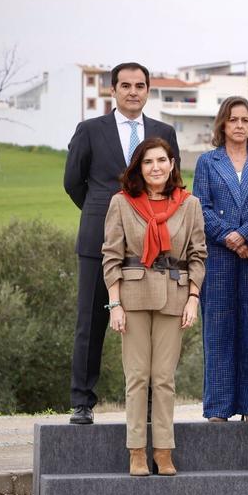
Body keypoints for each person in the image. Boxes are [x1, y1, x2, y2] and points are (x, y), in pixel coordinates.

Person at [63, 62, 178, 424]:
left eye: (139, 85)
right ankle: (82, 401)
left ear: (148, 90)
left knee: (147, 324)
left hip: (152, 245)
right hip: (99, 240)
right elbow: (73, 182)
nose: (132, 91)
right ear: (113, 90)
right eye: (125, 85)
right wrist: (110, 217)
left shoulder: (163, 131)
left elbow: (172, 183)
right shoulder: (90, 130)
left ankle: (146, 402)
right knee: (91, 322)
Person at [102, 138, 206, 476]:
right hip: (131, 297)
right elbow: (111, 257)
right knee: (137, 377)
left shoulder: (190, 205)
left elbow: (197, 256)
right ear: (139, 167)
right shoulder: (122, 203)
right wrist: (114, 303)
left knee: (163, 378)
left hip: (174, 297)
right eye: (148, 162)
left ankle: (163, 450)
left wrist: (193, 297)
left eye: (162, 160)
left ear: (173, 164)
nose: (156, 167)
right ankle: (136, 451)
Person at [192, 97, 248, 423]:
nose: (239, 125)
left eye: (245, 120)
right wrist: (229, 236)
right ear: (222, 125)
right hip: (219, 257)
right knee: (218, 331)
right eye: (233, 119)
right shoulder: (207, 162)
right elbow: (201, 207)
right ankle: (218, 408)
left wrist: (244, 235)